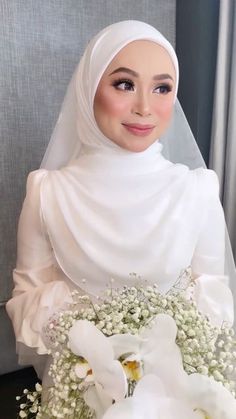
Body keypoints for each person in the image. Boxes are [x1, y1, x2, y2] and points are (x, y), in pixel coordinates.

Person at [6, 20, 235, 380]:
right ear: (89, 87)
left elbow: (214, 297)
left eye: (162, 88)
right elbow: (28, 299)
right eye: (125, 84)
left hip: (178, 384)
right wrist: (99, 351)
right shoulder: (47, 192)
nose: (144, 107)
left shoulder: (197, 190)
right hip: (82, 384)